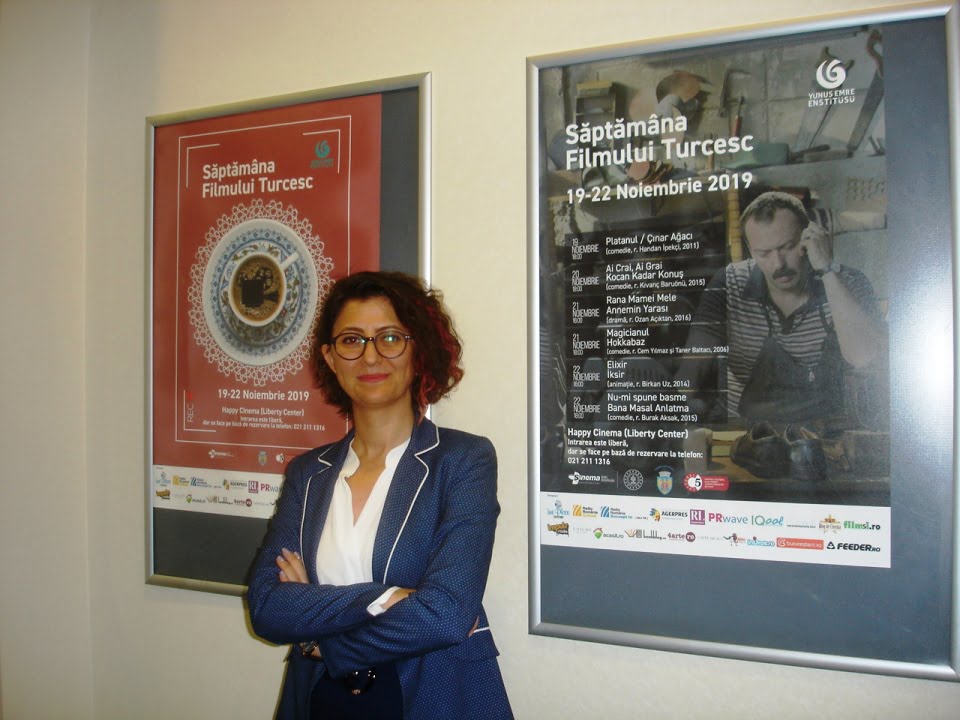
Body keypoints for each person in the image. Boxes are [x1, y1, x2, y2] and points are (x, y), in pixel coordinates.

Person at [247, 271, 513, 720]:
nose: (370, 355)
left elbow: (446, 614)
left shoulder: (463, 461)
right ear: (331, 358)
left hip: (433, 696)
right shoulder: (308, 474)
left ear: (418, 350)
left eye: (390, 337)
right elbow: (268, 607)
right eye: (352, 340)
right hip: (320, 699)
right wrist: (386, 598)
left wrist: (320, 642)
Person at [680, 191, 886, 425]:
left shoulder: (847, 282)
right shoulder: (730, 282)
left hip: (823, 436)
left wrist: (827, 270)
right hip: (743, 433)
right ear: (751, 250)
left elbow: (866, 358)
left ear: (809, 238)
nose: (778, 264)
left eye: (788, 247)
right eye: (764, 253)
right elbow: (690, 374)